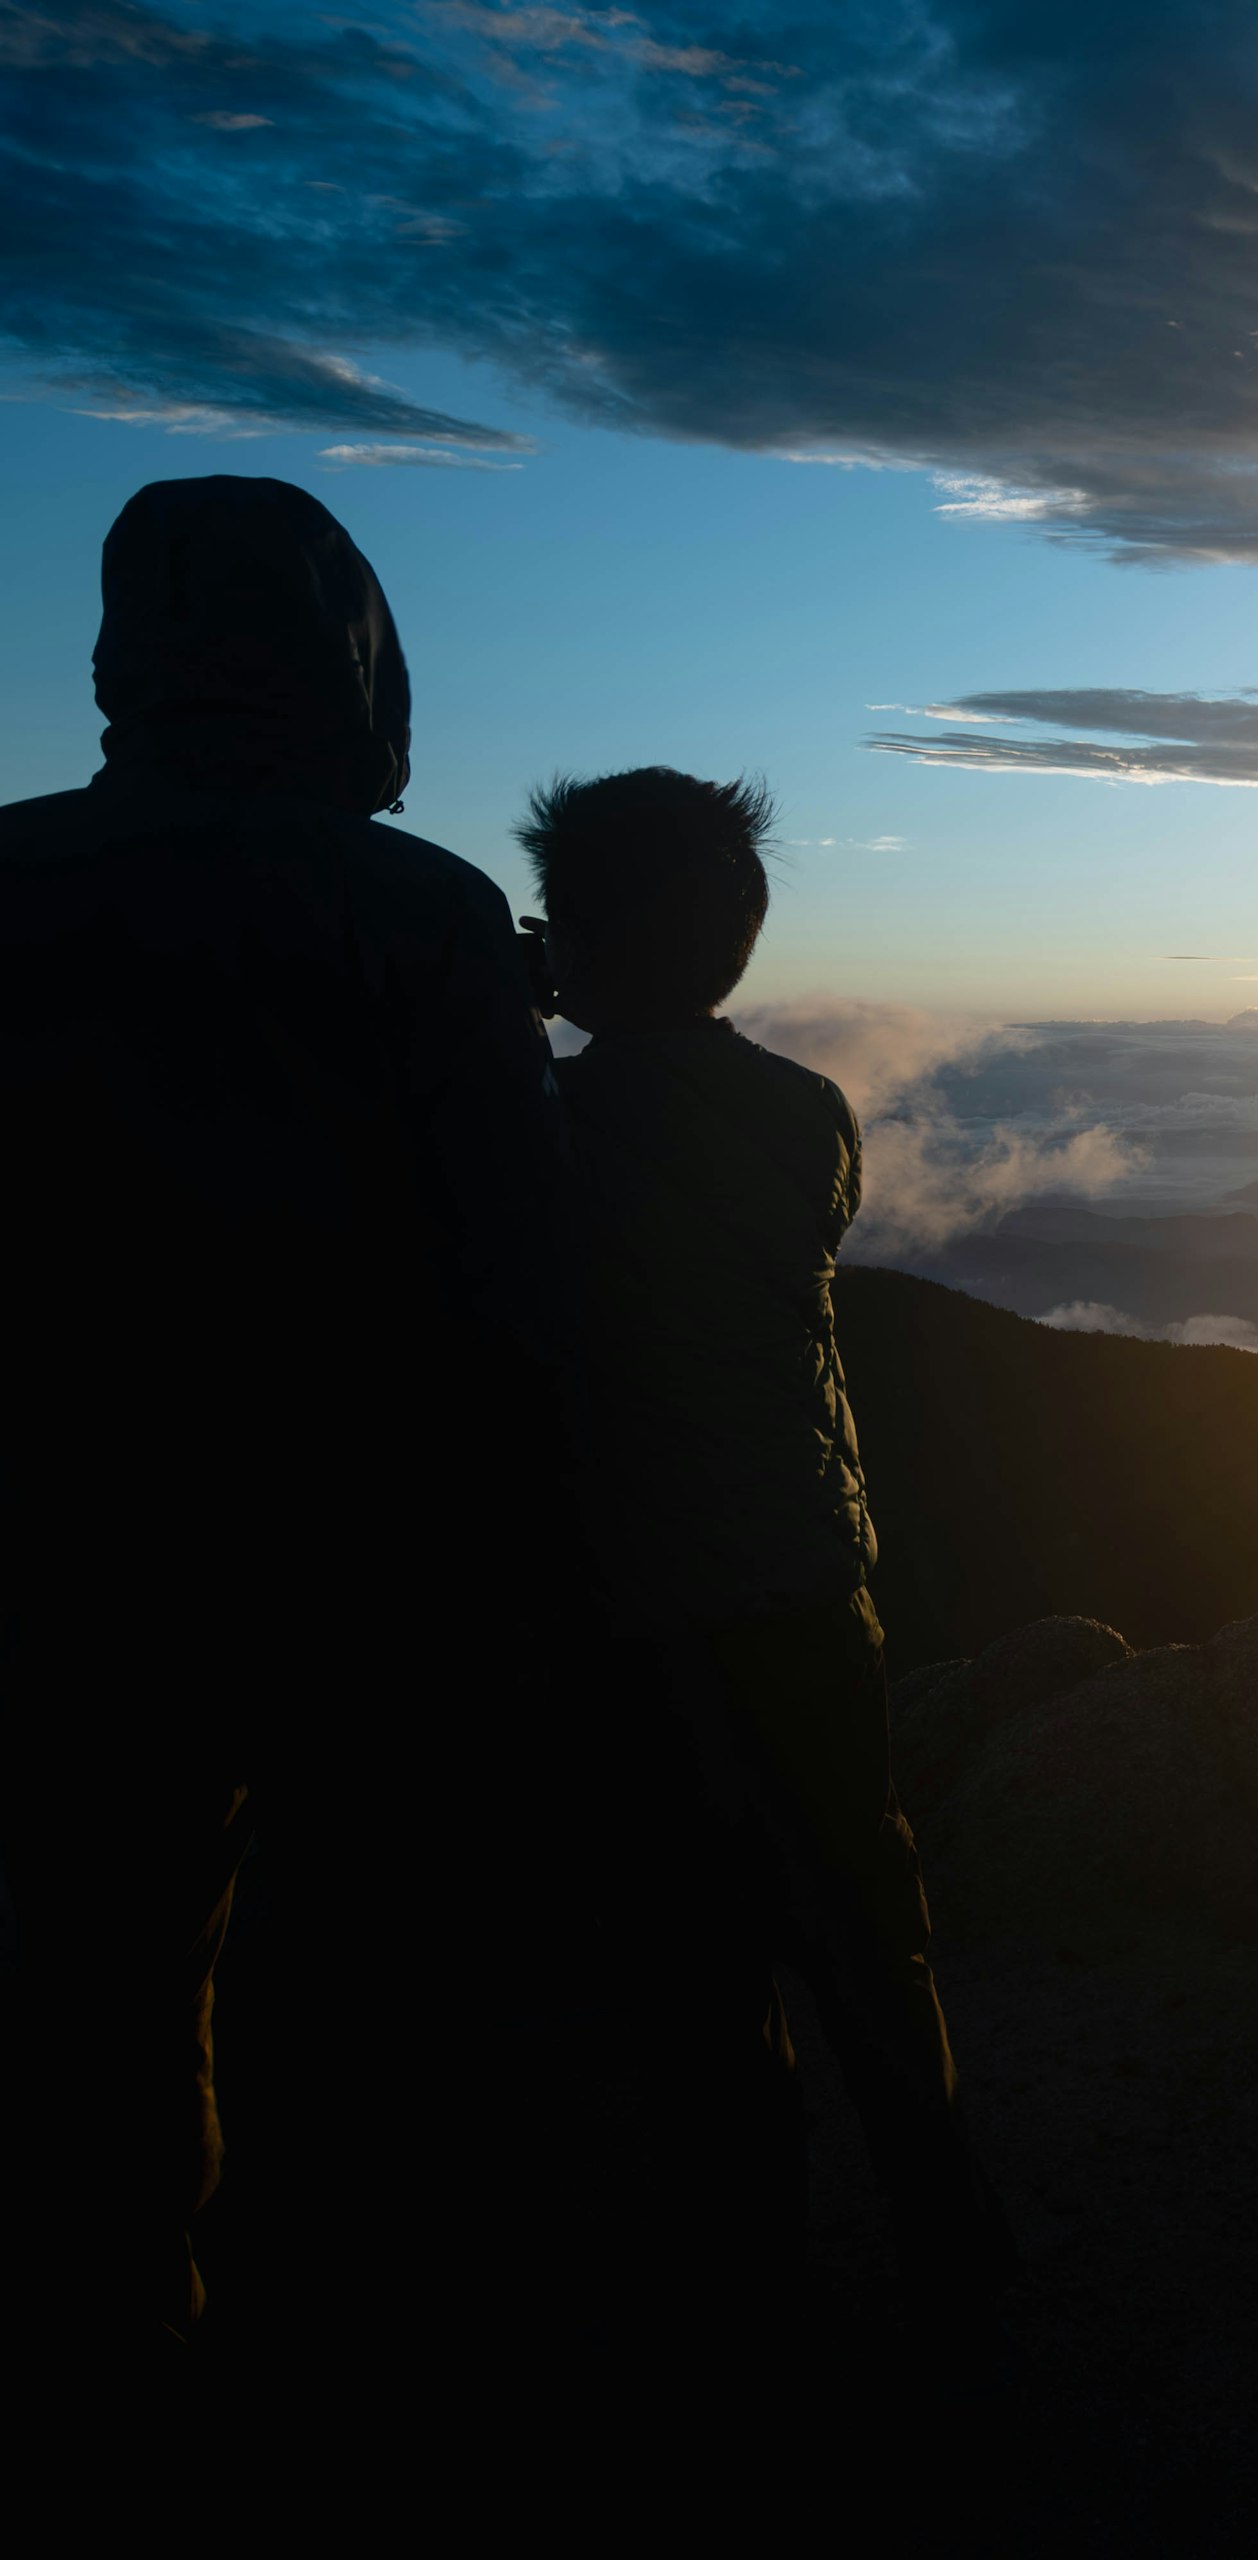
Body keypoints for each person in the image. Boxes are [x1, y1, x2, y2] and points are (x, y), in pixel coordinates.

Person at [0, 478, 568, 2356]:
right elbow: (515, 1268)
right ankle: (348, 2362)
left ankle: (116, 2350)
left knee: (103, 1979)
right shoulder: (426, 911)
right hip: (365, 1557)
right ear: (354, 657)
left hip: (66, 1550)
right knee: (365, 1972)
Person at [532, 766, 1011, 2309]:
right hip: (810, 1574)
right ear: (735, 943)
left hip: (633, 1601)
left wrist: (515, 1010)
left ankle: (745, 2255)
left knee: (694, 1943)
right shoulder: (807, 1114)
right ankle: (946, 2223)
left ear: (578, 941)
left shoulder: (544, 1122)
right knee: (867, 1916)